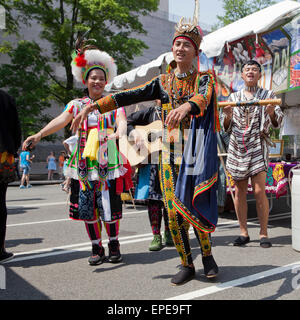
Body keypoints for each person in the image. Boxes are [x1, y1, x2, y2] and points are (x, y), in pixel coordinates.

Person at [72, 16, 220, 285]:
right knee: (174, 213)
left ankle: (208, 256)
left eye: (187, 45)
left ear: (195, 52)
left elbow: (204, 98)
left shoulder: (205, 79)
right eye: (177, 44)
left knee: (195, 207)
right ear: (172, 49)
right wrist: (94, 106)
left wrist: (186, 107)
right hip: (168, 152)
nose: (180, 48)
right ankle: (186, 262)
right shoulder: (161, 82)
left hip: (195, 151)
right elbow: (126, 95)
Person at [23, 41, 132, 265]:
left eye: (101, 78)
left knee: (108, 204)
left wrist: (117, 135)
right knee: (87, 205)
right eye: (94, 78)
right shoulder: (76, 104)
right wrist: (39, 135)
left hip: (108, 159)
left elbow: (122, 122)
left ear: (106, 81)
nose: (98, 81)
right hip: (82, 162)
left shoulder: (113, 103)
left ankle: (113, 243)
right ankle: (95, 247)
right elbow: (60, 120)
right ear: (86, 80)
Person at [221, 60, 284, 248]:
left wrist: (272, 112)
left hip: (258, 143)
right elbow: (225, 128)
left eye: (254, 69)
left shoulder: (268, 95)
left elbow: (276, 123)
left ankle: (264, 233)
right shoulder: (232, 97)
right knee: (239, 191)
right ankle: (243, 232)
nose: (250, 72)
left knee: (259, 190)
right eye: (247, 69)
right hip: (237, 146)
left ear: (259, 75)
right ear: (242, 75)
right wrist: (228, 116)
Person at [127, 100, 173, 251]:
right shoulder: (150, 112)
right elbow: (126, 122)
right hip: (151, 162)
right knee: (154, 200)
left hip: (172, 160)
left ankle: (169, 233)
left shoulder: (178, 111)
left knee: (170, 200)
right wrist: (135, 138)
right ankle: (156, 236)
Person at [0, 89, 21, 263]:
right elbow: (16, 129)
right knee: (0, 201)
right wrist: (13, 149)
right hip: (3, 153)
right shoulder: (6, 97)